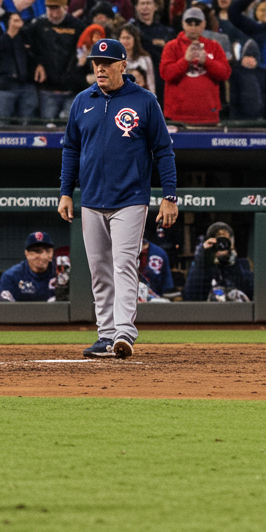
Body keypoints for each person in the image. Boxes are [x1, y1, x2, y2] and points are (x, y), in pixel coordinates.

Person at [58, 38, 178, 359]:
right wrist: (65, 192)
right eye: (96, 62)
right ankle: (106, 334)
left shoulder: (144, 101)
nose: (100, 67)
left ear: (123, 66)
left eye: (107, 62)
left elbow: (163, 149)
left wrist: (169, 195)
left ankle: (124, 331)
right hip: (92, 198)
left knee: (123, 264)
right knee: (99, 269)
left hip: (130, 198)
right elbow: (71, 149)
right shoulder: (83, 100)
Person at [159, 5, 232, 124]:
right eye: (189, 23)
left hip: (208, 115)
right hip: (178, 116)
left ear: (203, 24)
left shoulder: (214, 46)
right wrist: (185, 60)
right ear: (183, 24)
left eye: (197, 23)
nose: (193, 27)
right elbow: (166, 74)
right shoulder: (172, 46)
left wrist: (207, 62)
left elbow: (225, 74)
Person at [182, 222, 254, 301]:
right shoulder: (204, 267)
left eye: (225, 240)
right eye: (218, 241)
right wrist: (204, 256)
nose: (221, 245)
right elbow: (191, 295)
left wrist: (232, 260)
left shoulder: (243, 265)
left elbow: (249, 291)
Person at [0, 232, 58, 302]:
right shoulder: (11, 276)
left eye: (48, 251)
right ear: (27, 254)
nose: (43, 256)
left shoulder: (61, 274)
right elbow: (4, 308)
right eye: (37, 251)